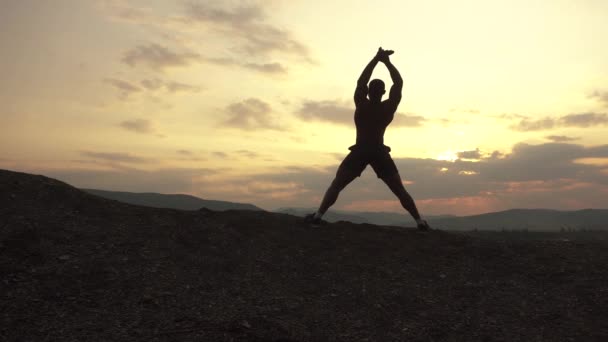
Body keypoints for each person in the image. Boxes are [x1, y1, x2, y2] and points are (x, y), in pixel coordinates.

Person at [305, 47, 431, 230]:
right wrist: (387, 62)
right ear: (383, 92)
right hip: (379, 152)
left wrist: (375, 59)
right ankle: (420, 222)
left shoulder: (361, 103)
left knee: (336, 185)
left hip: (361, 150)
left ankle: (317, 217)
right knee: (399, 190)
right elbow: (399, 83)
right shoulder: (388, 107)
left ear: (369, 91)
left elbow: (361, 81)